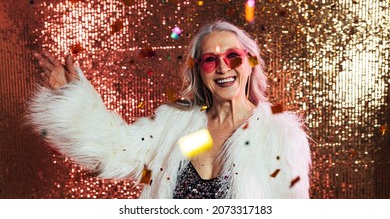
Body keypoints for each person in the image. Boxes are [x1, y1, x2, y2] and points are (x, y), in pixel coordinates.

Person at [29, 20, 311, 199]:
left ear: (250, 62)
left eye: (232, 56)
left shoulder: (279, 135)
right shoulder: (179, 125)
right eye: (211, 59)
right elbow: (118, 150)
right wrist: (73, 95)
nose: (223, 67)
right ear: (199, 71)